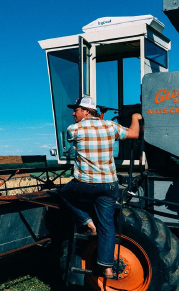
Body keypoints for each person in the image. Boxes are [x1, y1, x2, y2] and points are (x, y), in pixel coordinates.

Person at [58, 96, 142, 279]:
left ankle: (88, 222)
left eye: (77, 110)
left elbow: (76, 142)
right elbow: (134, 134)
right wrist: (135, 117)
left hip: (85, 185)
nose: (74, 113)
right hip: (109, 185)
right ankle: (107, 268)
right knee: (108, 225)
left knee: (63, 194)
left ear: (86, 112)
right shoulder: (110, 127)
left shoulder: (74, 129)